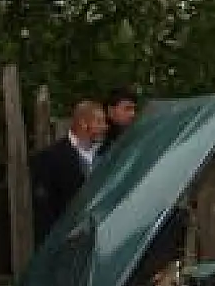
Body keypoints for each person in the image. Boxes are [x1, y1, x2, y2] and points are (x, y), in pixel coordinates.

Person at [28, 100, 106, 243]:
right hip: (64, 245)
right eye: (99, 122)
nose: (104, 127)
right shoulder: (49, 158)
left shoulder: (106, 155)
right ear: (83, 123)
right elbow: (44, 212)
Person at [99, 85, 139, 157]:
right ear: (110, 110)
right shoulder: (98, 140)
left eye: (134, 109)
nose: (133, 114)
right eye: (127, 109)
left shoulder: (130, 135)